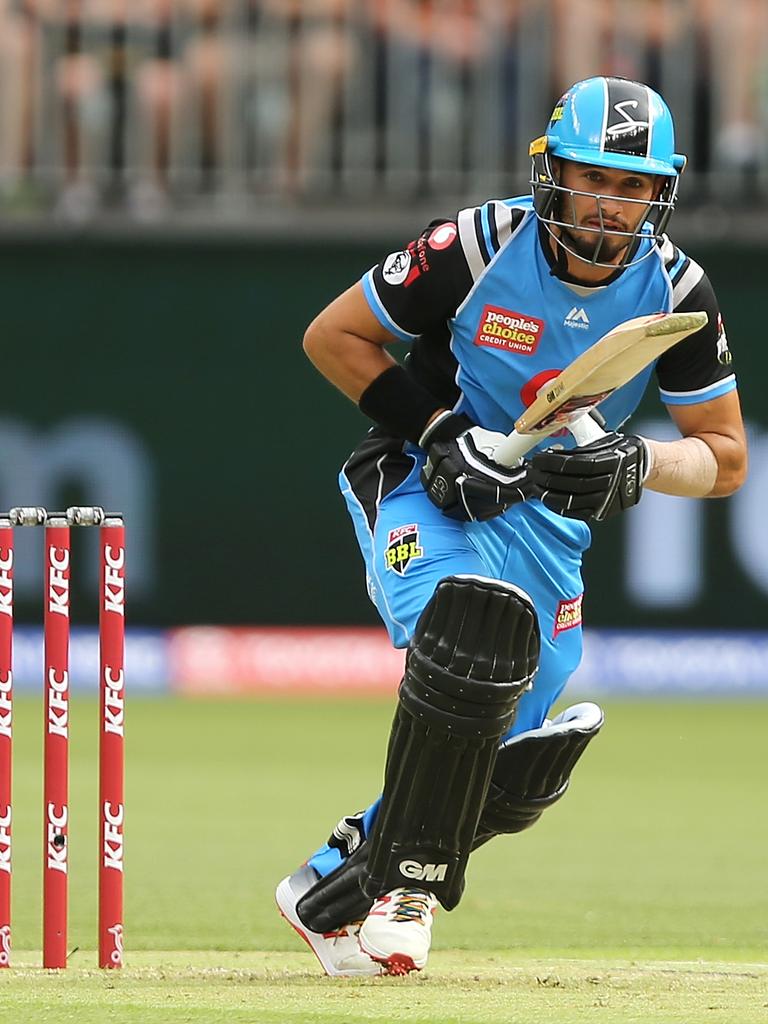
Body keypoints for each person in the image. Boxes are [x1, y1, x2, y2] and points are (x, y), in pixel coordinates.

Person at [275, 75, 747, 978]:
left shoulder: (678, 285)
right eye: (593, 180)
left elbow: (724, 457)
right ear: (550, 173)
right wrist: (441, 431)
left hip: (547, 524)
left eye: (633, 186)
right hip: (421, 485)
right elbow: (333, 335)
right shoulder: (478, 245)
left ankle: (334, 883)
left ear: (663, 192)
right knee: (471, 636)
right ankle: (410, 892)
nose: (611, 208)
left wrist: (637, 463)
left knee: (508, 747)